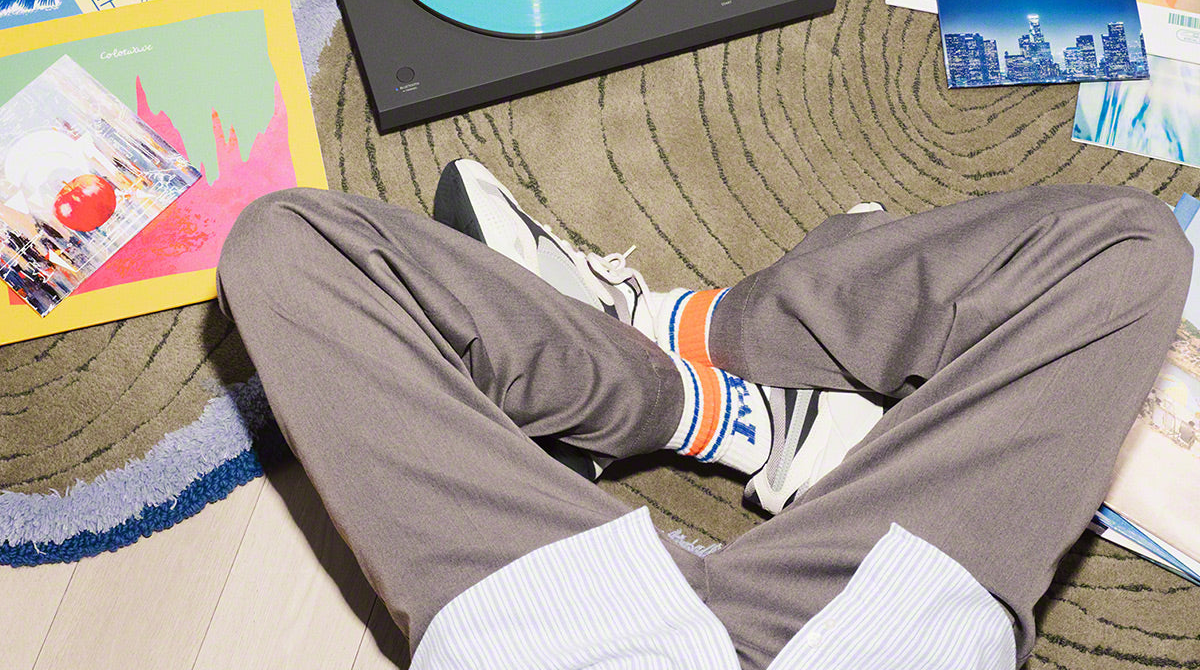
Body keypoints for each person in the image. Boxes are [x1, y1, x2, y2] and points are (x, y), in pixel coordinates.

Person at [216, 163, 1191, 670]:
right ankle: (733, 371)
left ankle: (676, 369)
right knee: (1125, 250)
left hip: (561, 637)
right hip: (878, 635)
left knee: (286, 248)